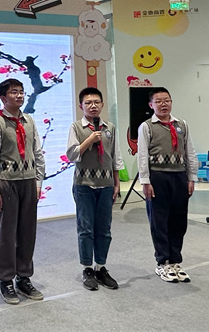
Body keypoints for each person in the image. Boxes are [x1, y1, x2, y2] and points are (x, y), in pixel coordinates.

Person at [0, 78, 45, 304]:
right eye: (13, 92)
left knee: (28, 232)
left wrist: (38, 181)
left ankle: (24, 277)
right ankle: (6, 280)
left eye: (21, 91)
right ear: (3, 97)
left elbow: (37, 152)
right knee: (6, 235)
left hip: (28, 181)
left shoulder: (29, 121)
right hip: (7, 182)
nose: (19, 95)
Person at [137, 87, 198, 283]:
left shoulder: (182, 125)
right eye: (159, 101)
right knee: (159, 221)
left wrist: (191, 177)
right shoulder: (146, 127)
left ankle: (175, 261)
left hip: (179, 177)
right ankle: (162, 262)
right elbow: (142, 155)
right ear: (151, 105)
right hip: (158, 177)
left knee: (179, 221)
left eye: (167, 100)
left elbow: (190, 151)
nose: (163, 104)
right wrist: (145, 181)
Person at [66, 87, 123, 291]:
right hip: (84, 185)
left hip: (106, 184)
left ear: (102, 104)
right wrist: (90, 139)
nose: (93, 106)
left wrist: (116, 182)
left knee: (104, 229)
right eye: (88, 103)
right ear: (81, 106)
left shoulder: (110, 128)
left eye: (96, 102)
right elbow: (71, 155)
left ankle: (101, 267)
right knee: (86, 228)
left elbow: (115, 157)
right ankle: (87, 268)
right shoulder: (76, 127)